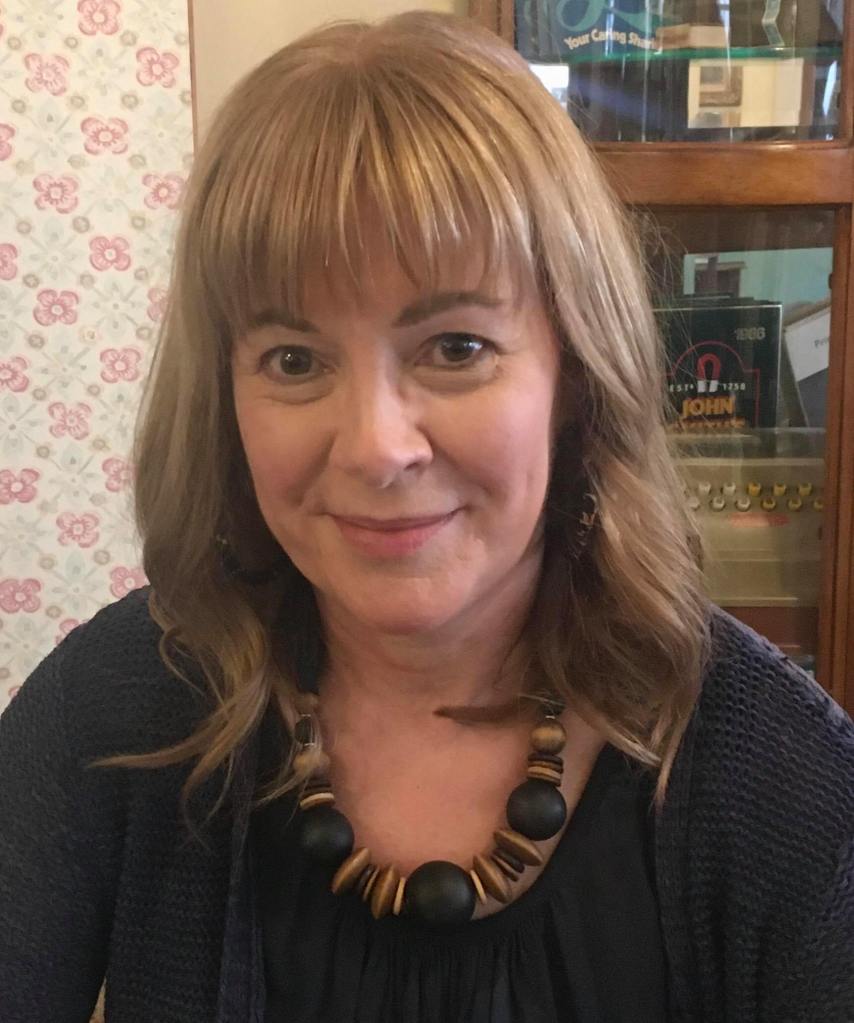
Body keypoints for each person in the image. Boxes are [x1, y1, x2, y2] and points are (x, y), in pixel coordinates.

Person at [1, 9, 852, 1023]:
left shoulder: (777, 778)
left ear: (575, 375)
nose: (375, 446)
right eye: (293, 360)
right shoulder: (116, 706)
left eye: (455, 348)